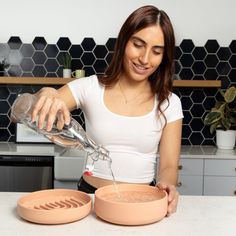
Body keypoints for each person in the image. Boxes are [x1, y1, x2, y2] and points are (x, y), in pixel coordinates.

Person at [31, 5, 183, 216]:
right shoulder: (90, 87)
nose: (145, 59)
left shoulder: (169, 103)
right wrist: (47, 92)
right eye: (138, 45)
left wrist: (167, 186)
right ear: (123, 42)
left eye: (156, 51)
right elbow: (49, 99)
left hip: (144, 203)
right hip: (91, 199)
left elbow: (168, 166)